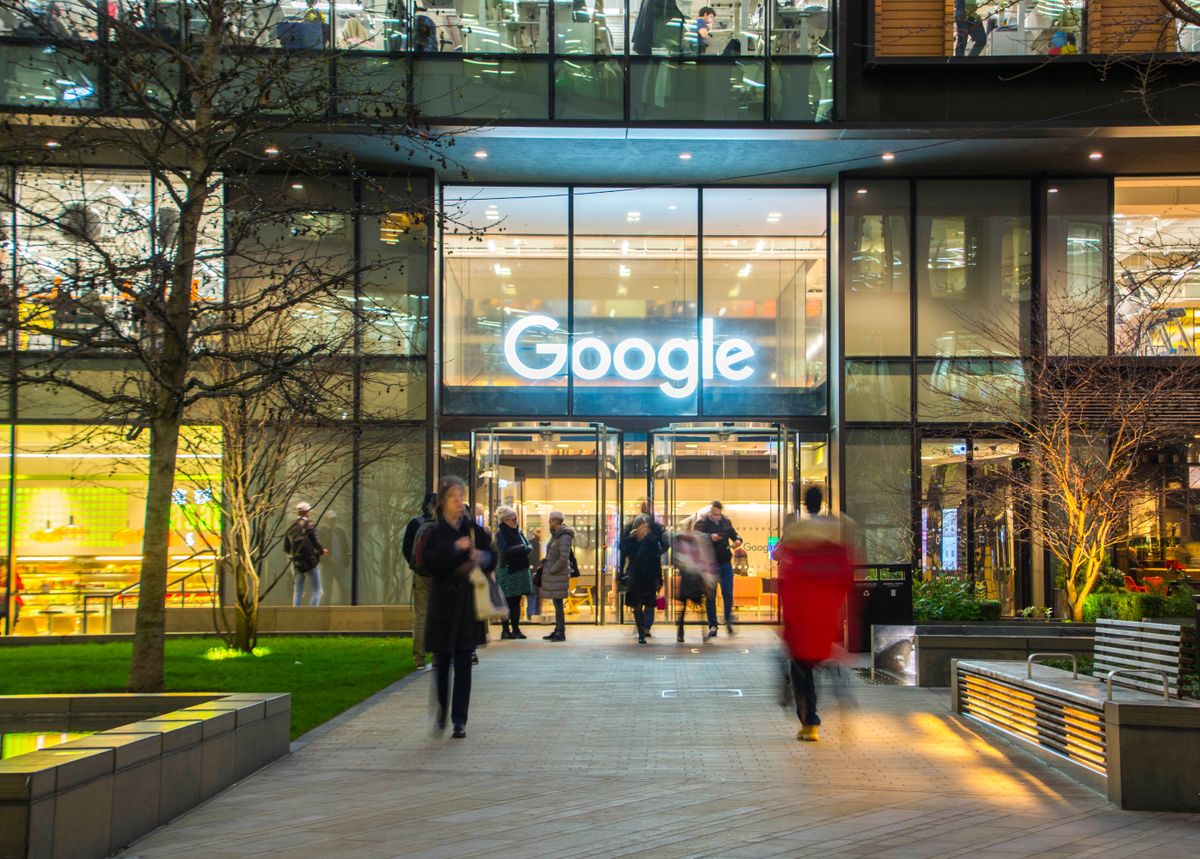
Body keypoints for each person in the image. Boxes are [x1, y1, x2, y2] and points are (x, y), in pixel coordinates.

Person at [775, 486, 855, 742]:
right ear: (821, 503)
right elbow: (846, 576)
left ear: (805, 504)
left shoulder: (795, 534)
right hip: (826, 609)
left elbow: (783, 570)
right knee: (823, 654)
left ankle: (810, 721)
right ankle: (838, 683)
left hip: (800, 610)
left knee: (801, 666)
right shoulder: (836, 534)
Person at [422, 475, 495, 739]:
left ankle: (459, 720)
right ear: (442, 502)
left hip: (466, 605)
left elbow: (492, 556)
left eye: (461, 498)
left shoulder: (472, 528)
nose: (459, 503)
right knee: (443, 660)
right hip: (443, 604)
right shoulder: (434, 531)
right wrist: (454, 548)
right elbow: (427, 564)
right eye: (454, 499)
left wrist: (481, 556)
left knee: (464, 659)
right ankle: (442, 711)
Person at [694, 501, 742, 638]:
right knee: (710, 597)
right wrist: (710, 537)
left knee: (728, 593)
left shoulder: (726, 522)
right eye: (715, 514)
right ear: (710, 512)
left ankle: (727, 621)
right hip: (709, 563)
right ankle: (713, 626)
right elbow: (695, 537)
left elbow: (735, 535)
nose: (717, 517)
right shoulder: (703, 522)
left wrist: (738, 541)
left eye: (719, 514)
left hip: (725, 563)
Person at [402, 491, 438, 669]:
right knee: (439, 615)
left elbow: (406, 548)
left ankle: (419, 658)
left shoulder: (415, 524)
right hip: (440, 577)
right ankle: (439, 655)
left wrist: (415, 566)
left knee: (421, 616)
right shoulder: (442, 525)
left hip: (421, 575)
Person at [621, 499, 664, 636]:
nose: (643, 529)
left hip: (649, 576)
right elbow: (623, 554)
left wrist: (659, 578)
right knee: (637, 604)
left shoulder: (652, 540)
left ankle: (646, 628)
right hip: (636, 576)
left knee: (649, 604)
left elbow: (657, 559)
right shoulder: (630, 540)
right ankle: (641, 628)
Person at [494, 506, 534, 639]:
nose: (515, 522)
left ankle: (516, 629)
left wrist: (523, 547)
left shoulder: (519, 532)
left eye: (516, 519)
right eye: (513, 519)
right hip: (507, 569)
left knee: (516, 601)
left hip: (520, 568)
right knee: (506, 601)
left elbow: (529, 546)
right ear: (505, 520)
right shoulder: (500, 534)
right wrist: (522, 548)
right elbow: (504, 551)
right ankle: (505, 630)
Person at [672, 526, 716, 643]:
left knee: (689, 607)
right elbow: (700, 562)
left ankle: (682, 633)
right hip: (691, 578)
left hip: (691, 578)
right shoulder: (688, 542)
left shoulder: (688, 542)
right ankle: (690, 632)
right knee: (695, 607)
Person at [540, 511, 573, 641]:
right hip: (555, 575)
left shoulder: (564, 536)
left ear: (555, 521)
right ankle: (558, 629)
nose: (548, 522)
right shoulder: (557, 535)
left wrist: (552, 570)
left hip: (558, 575)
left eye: (550, 520)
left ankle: (560, 631)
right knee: (556, 603)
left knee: (558, 604)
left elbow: (563, 558)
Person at [285, 502, 326, 607]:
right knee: (317, 591)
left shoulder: (291, 526)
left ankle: (296, 616)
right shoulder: (309, 525)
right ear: (307, 512)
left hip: (297, 562)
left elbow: (286, 548)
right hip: (310, 562)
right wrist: (322, 551)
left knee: (298, 592)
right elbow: (315, 542)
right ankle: (311, 614)